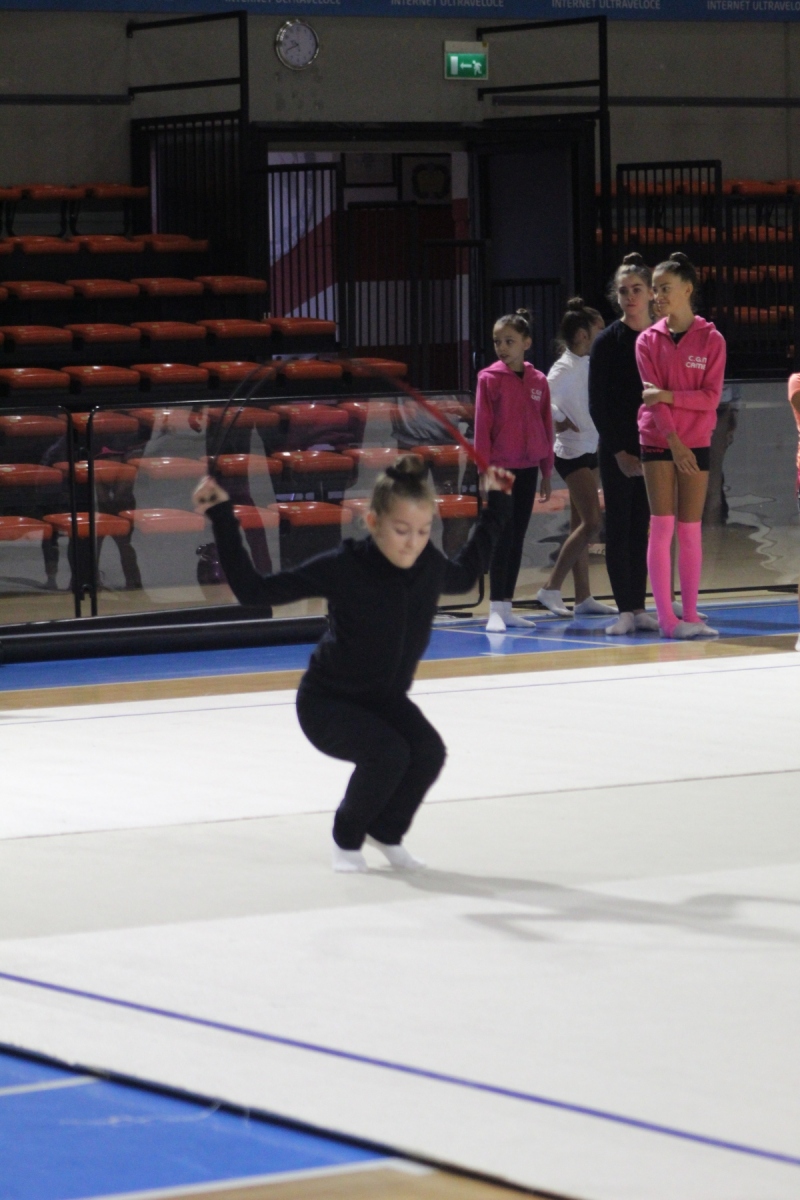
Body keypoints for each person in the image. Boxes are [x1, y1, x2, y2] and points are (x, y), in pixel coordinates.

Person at [192, 455, 513, 873]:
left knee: (428, 752)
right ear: (373, 522)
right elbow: (255, 591)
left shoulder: (428, 565)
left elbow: (466, 575)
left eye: (423, 531)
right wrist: (221, 516)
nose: (412, 543)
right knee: (389, 754)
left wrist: (496, 503)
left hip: (384, 699)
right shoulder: (345, 567)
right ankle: (346, 840)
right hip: (328, 703)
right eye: (401, 530)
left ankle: (386, 832)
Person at [636, 252, 726, 639]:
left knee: (690, 529)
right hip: (659, 439)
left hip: (697, 441)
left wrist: (669, 395)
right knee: (662, 526)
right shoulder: (646, 340)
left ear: (687, 290)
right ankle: (667, 621)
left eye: (665, 288)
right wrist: (673, 440)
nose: (657, 295)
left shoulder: (712, 339)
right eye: (655, 289)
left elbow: (710, 398)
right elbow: (650, 400)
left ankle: (690, 615)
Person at [589, 253, 660, 636]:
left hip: (653, 445)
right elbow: (597, 404)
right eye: (623, 291)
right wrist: (619, 452)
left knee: (642, 527)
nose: (630, 297)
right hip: (617, 448)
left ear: (650, 293)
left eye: (636, 289)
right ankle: (624, 610)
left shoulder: (660, 336)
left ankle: (640, 606)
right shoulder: (607, 341)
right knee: (618, 527)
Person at [535, 298, 616, 619]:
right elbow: (542, 400)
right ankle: (550, 588)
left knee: (580, 524)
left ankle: (583, 597)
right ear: (583, 335)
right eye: (599, 329)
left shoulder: (588, 363)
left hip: (590, 449)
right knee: (592, 523)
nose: (604, 333)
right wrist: (561, 419)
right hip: (571, 454)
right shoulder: (563, 368)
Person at [475, 309, 553, 632]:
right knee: (502, 535)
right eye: (498, 342)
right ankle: (495, 607)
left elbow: (546, 424)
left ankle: (507, 606)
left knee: (518, 535)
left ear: (526, 343)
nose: (502, 347)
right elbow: (482, 426)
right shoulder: (488, 379)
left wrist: (547, 470)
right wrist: (483, 469)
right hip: (500, 468)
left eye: (509, 341)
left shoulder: (539, 381)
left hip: (529, 466)